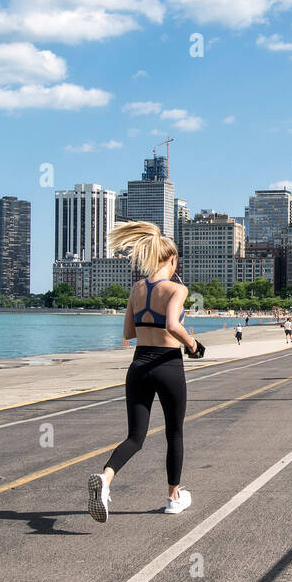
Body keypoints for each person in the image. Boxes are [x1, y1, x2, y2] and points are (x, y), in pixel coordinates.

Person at [88, 221, 204, 524]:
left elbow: (128, 332)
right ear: (173, 259)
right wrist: (192, 344)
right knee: (174, 432)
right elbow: (172, 325)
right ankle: (172, 497)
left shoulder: (136, 290)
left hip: (138, 366)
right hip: (167, 364)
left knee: (136, 437)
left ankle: (106, 479)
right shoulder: (177, 289)